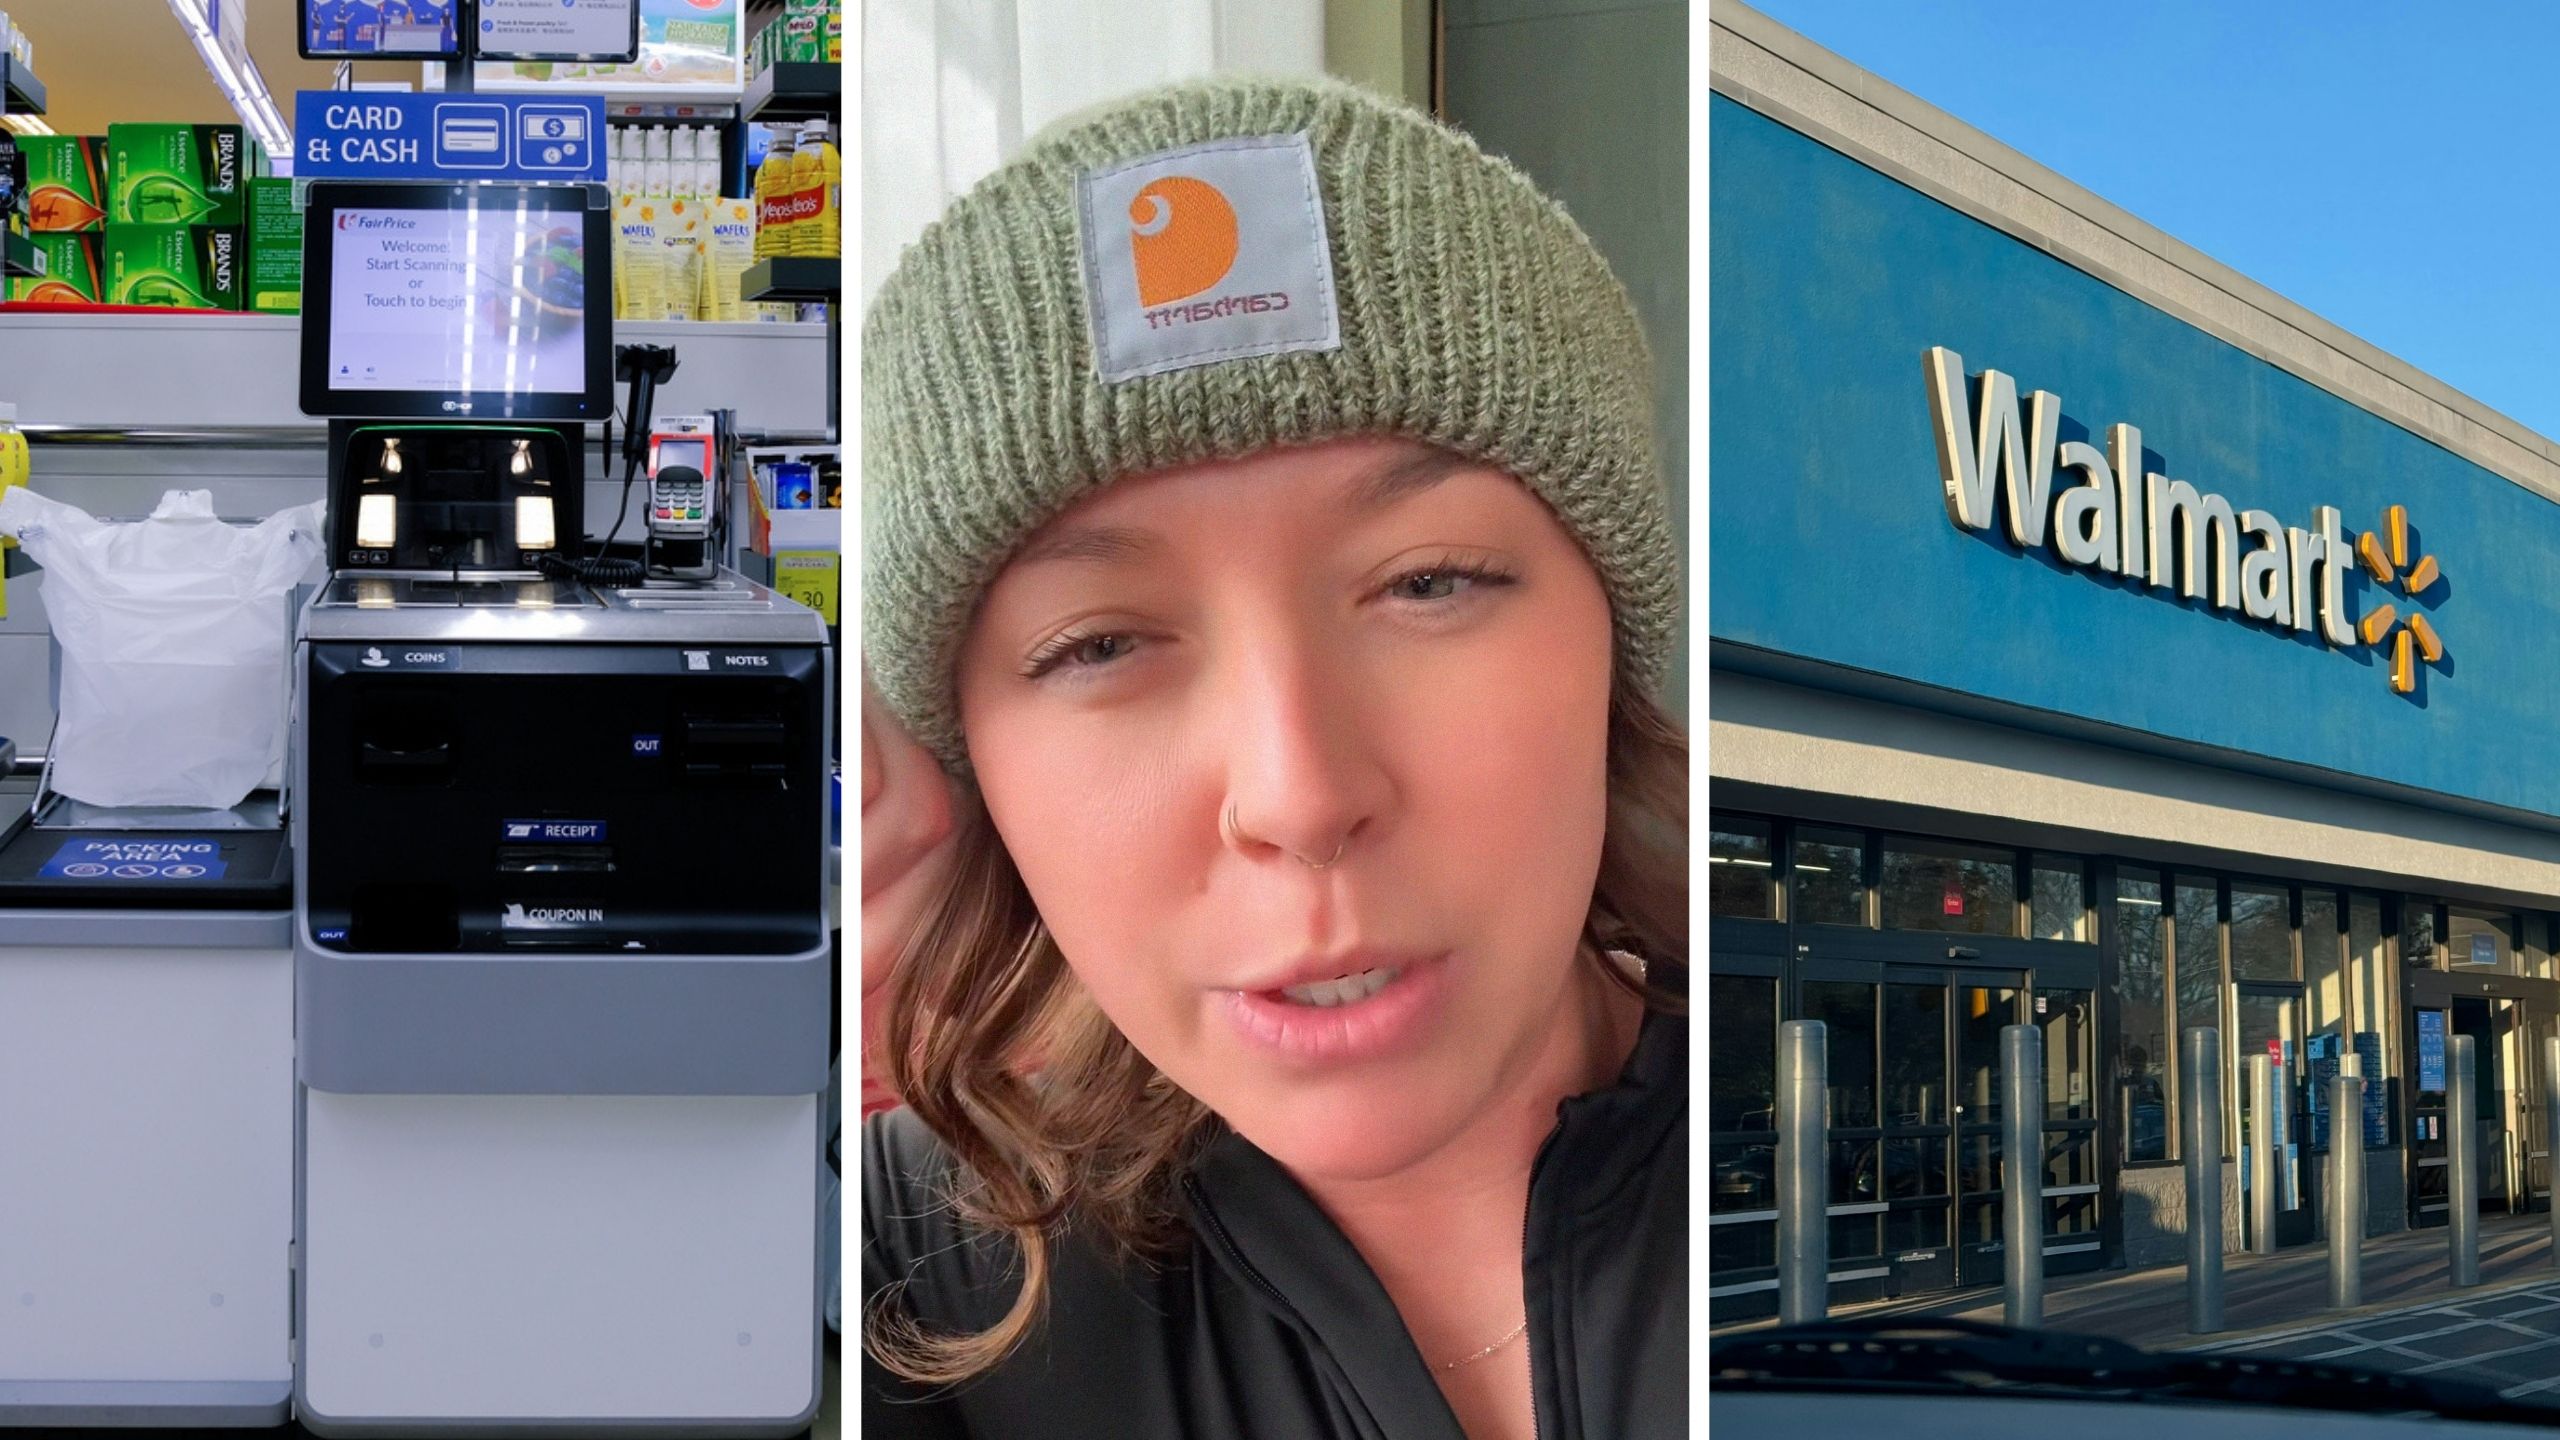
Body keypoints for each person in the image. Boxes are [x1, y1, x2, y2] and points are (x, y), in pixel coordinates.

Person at [862, 76, 1687, 1440]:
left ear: (1613, 639)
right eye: (1096, 648)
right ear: (975, 773)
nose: (1300, 794)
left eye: (1431, 584)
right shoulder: (916, 1274)